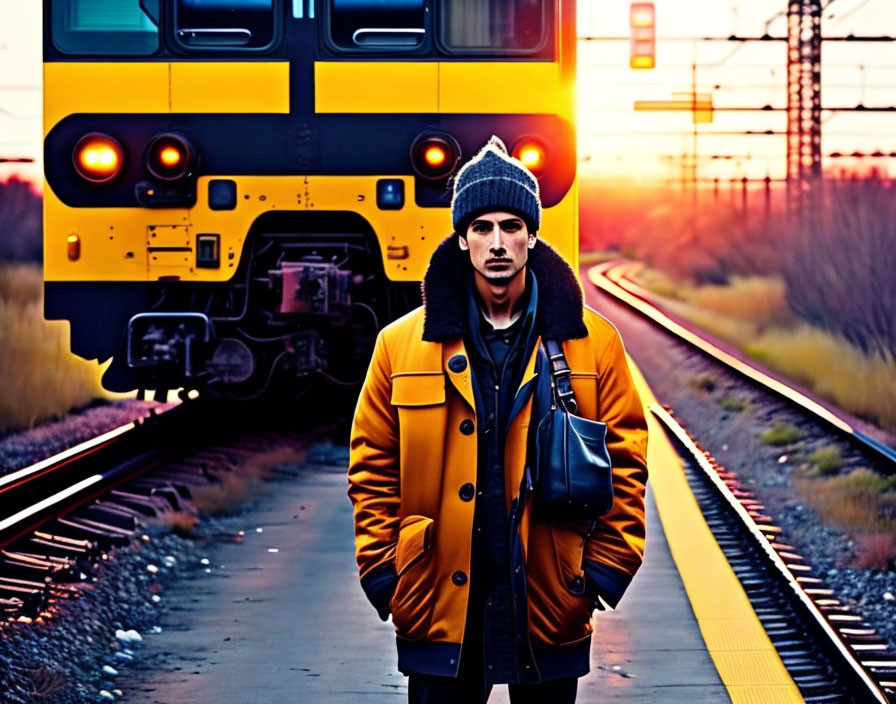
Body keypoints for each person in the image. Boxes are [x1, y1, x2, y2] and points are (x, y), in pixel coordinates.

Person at [348, 136, 648, 703]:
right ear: (461, 238)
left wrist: (604, 569)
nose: (497, 244)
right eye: (481, 228)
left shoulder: (592, 344)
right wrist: (385, 573)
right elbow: (372, 467)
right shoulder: (400, 345)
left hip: (548, 593)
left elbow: (627, 456)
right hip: (436, 597)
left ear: (533, 235)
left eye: (512, 226)